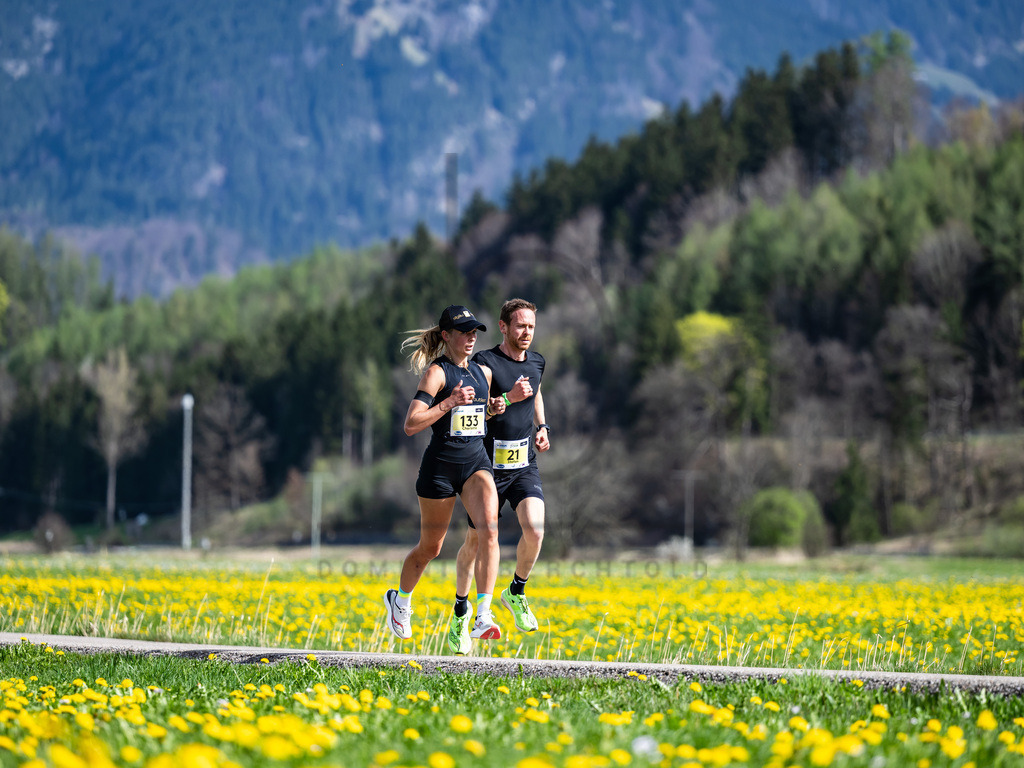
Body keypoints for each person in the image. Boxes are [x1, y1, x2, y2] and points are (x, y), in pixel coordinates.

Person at [384, 305, 507, 654]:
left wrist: (492, 409)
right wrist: (449, 402)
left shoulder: (482, 373)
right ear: (446, 336)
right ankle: (400, 600)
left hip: (475, 464)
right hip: (440, 468)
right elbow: (411, 424)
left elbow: (477, 415)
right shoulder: (437, 373)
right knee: (431, 549)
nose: (471, 338)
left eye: (474, 332)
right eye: (464, 332)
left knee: (489, 530)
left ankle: (482, 614)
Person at [448, 298, 549, 652]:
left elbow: (536, 392)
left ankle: (516, 591)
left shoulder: (537, 362)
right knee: (475, 542)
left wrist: (542, 427)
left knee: (535, 530)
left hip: (523, 464)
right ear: (504, 327)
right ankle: (461, 611)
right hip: (486, 467)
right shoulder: (485, 364)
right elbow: (477, 412)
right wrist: (508, 397)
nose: (527, 332)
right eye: (520, 326)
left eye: (531, 326)